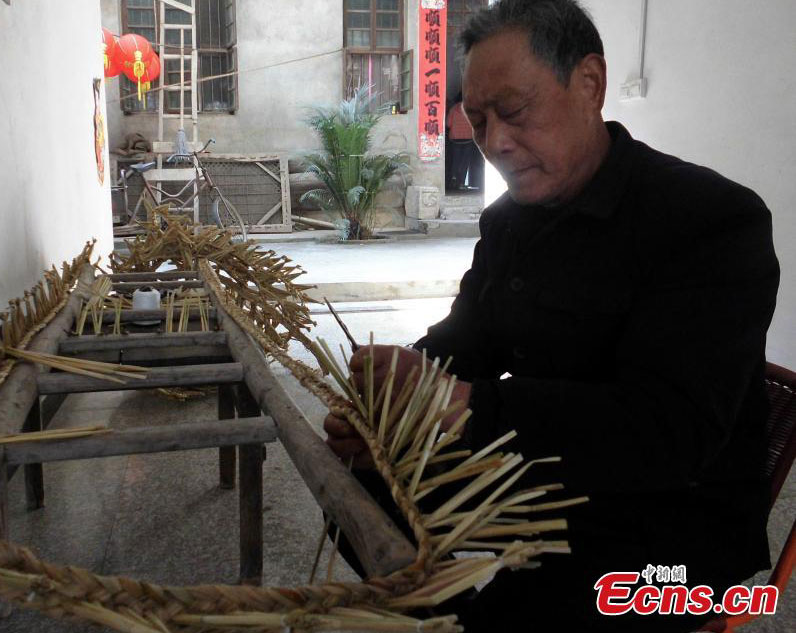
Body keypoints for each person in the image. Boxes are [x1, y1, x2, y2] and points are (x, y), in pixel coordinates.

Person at [323, 1, 780, 631]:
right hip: (550, 477)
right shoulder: (512, 220)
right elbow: (466, 339)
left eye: (514, 112)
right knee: (357, 498)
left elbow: (670, 434)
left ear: (589, 83)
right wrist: (391, 406)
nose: (495, 143)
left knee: (528, 611)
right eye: (478, 120)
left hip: (677, 534)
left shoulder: (709, 221)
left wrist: (458, 407)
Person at [446, 94, 484, 191]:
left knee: (455, 159)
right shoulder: (470, 109)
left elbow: (448, 124)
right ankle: (461, 182)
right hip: (468, 139)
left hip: (455, 139)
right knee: (464, 162)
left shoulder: (453, 109)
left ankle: (453, 178)